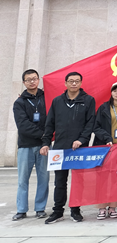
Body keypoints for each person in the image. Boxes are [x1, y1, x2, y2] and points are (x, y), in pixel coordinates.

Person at [40, 72, 96, 224]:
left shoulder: (88, 100)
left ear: (81, 83)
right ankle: (58, 211)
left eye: (77, 81)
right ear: (65, 83)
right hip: (60, 148)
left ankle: (75, 210)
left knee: (78, 181)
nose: (74, 84)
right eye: (71, 81)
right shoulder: (57, 101)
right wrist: (46, 142)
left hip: (79, 148)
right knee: (59, 182)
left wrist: (81, 140)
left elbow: (90, 123)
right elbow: (50, 124)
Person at [13, 69, 49, 221]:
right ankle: (21, 209)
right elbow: (23, 125)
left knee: (44, 178)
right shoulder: (19, 102)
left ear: (39, 80)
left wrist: (46, 138)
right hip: (26, 146)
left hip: (44, 146)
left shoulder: (47, 97)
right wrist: (43, 134)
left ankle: (40, 208)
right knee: (23, 179)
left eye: (34, 78)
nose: (32, 82)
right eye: (28, 80)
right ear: (24, 82)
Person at [92, 81, 117, 219]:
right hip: (104, 147)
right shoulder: (103, 108)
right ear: (111, 92)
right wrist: (107, 137)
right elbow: (96, 127)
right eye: (115, 90)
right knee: (102, 178)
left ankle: (113, 207)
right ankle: (102, 208)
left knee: (116, 178)